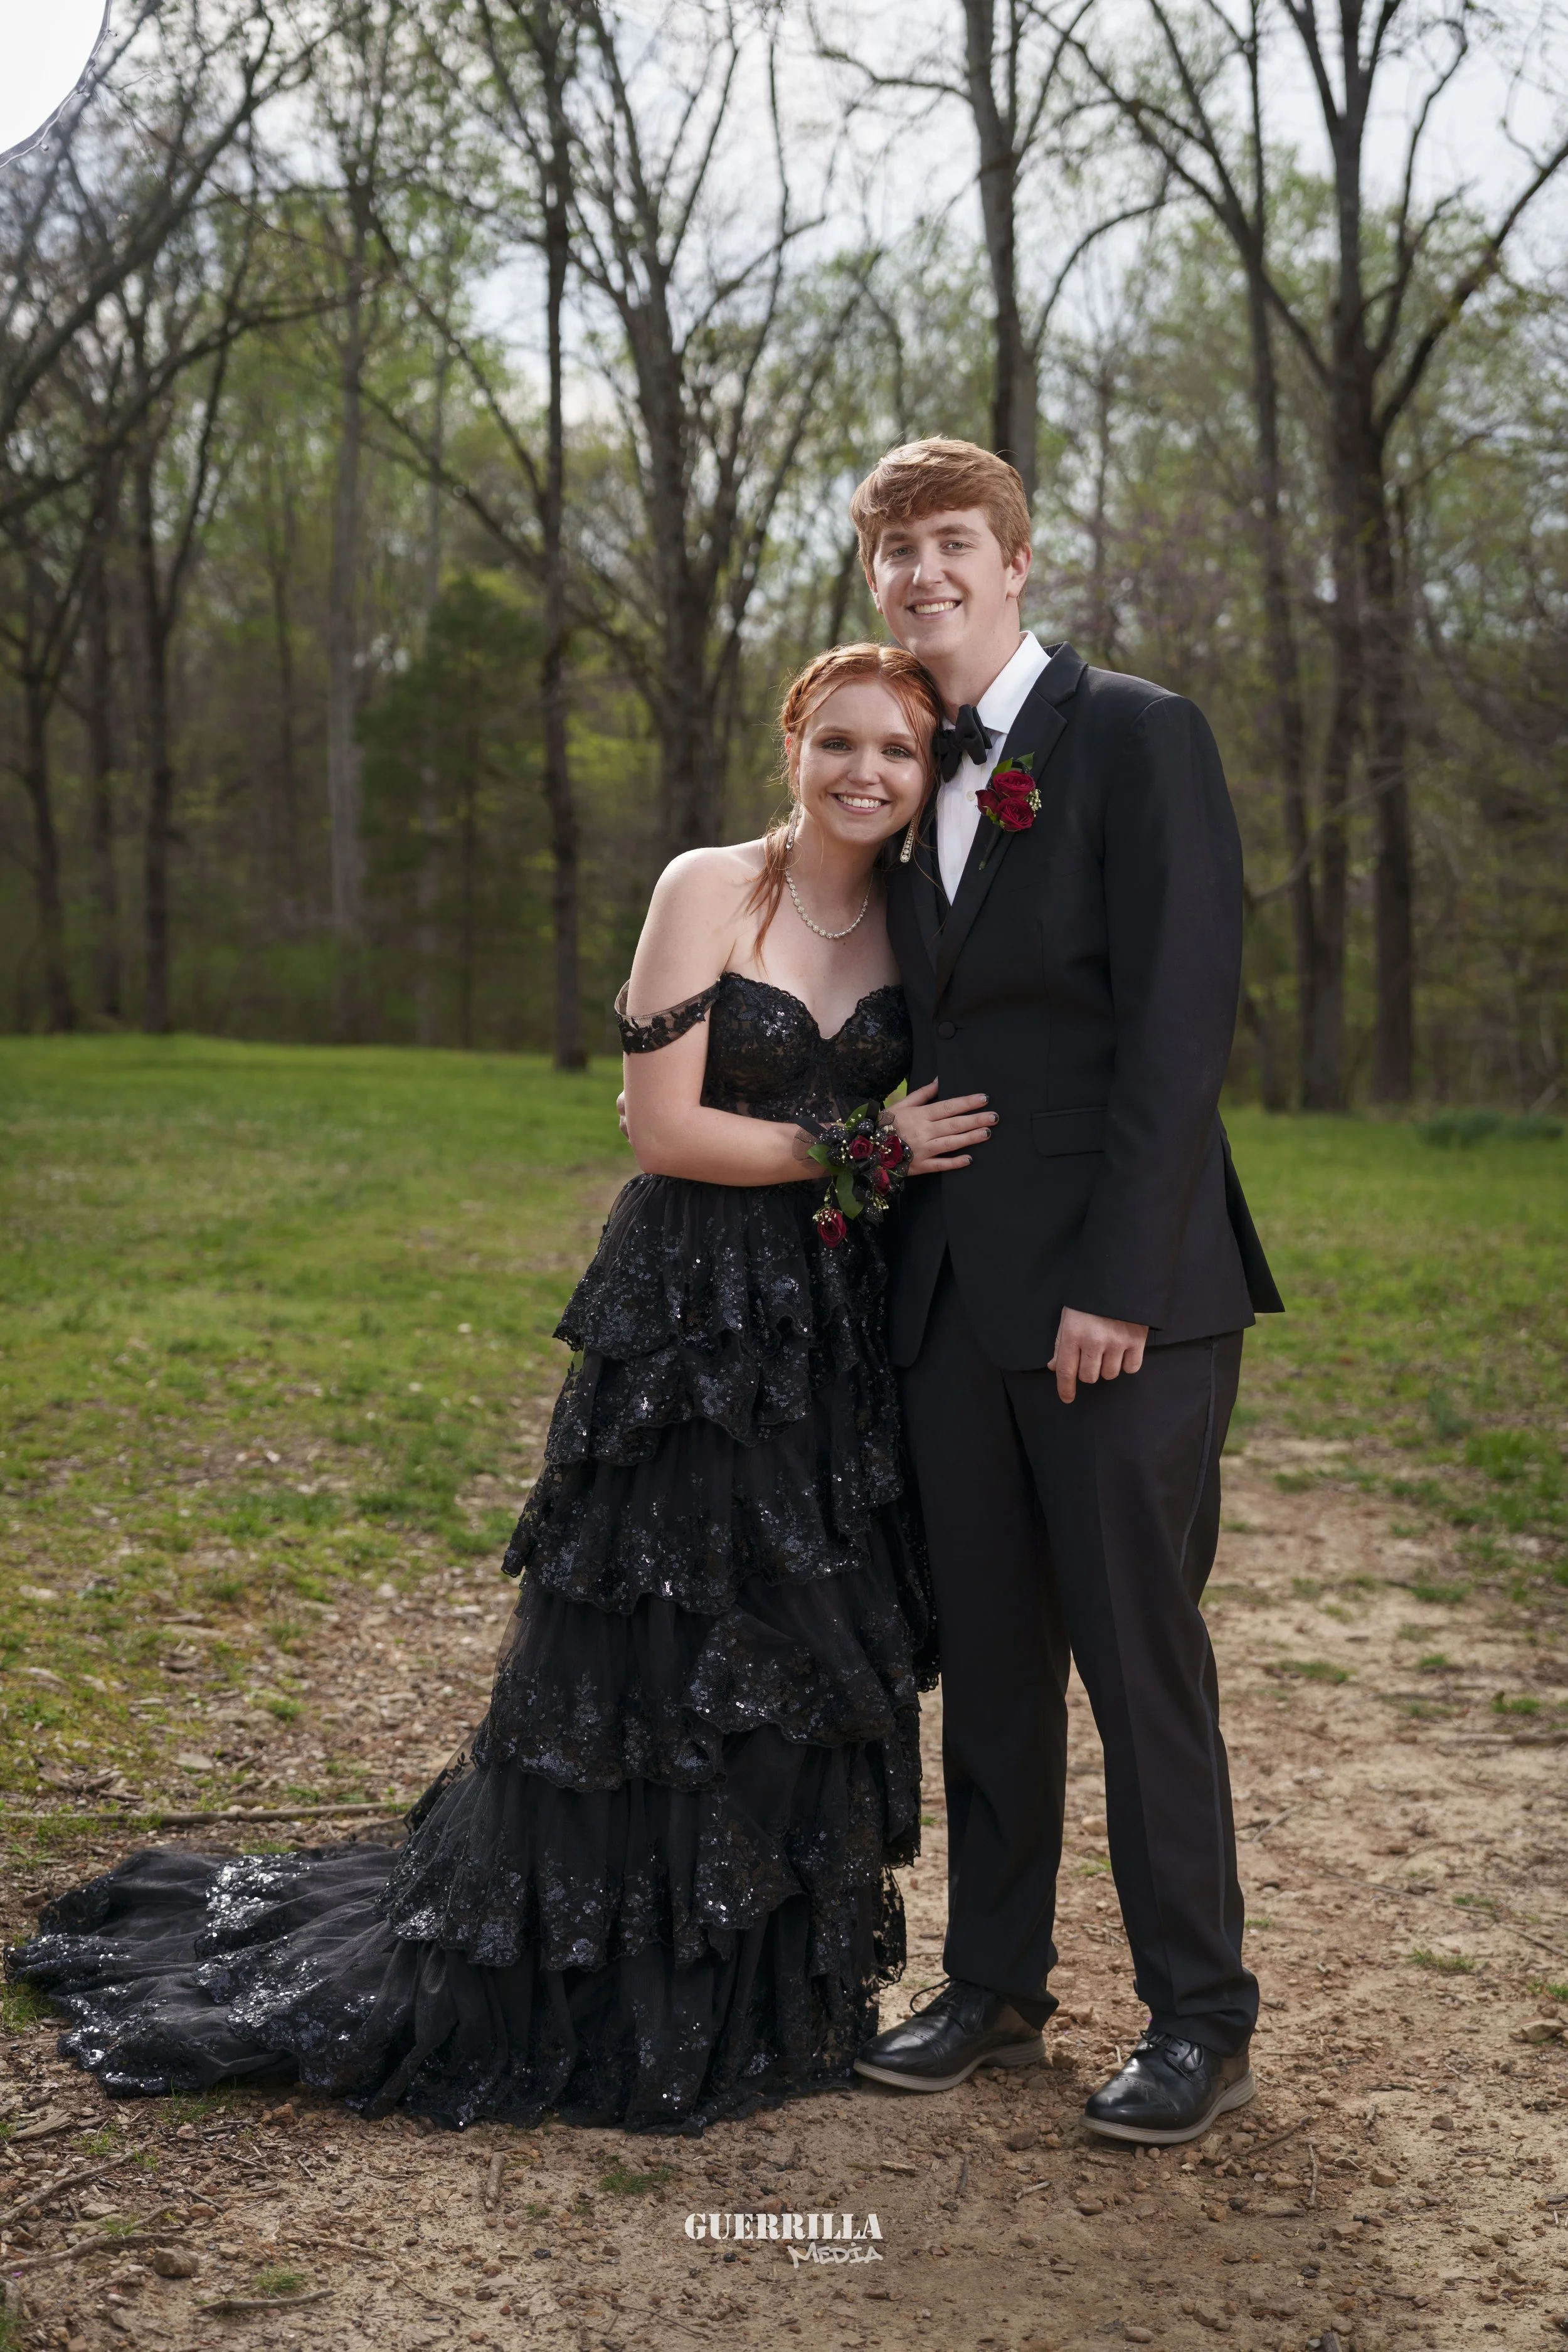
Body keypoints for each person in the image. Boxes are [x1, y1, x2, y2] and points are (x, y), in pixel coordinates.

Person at [6, 643, 993, 2134]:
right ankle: (600, 1977)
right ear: (792, 742)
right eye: (840, 740)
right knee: (654, 1642)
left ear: (929, 775)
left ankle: (739, 1978)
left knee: (796, 1640)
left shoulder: (922, 918)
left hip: (832, 1323)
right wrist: (859, 1152)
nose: (868, 771)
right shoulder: (707, 888)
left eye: (901, 753)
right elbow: (661, 1129)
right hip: (692, 1314)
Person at [847, 438, 1283, 2145]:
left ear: (1016, 561)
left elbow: (1181, 1025)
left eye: (952, 543)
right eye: (895, 551)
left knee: (1136, 1656)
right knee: (995, 1664)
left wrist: (1114, 1280)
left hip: (1126, 1300)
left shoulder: (1134, 734)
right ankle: (994, 1978)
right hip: (952, 1295)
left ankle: (1199, 2013)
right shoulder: (898, 766)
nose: (923, 573)